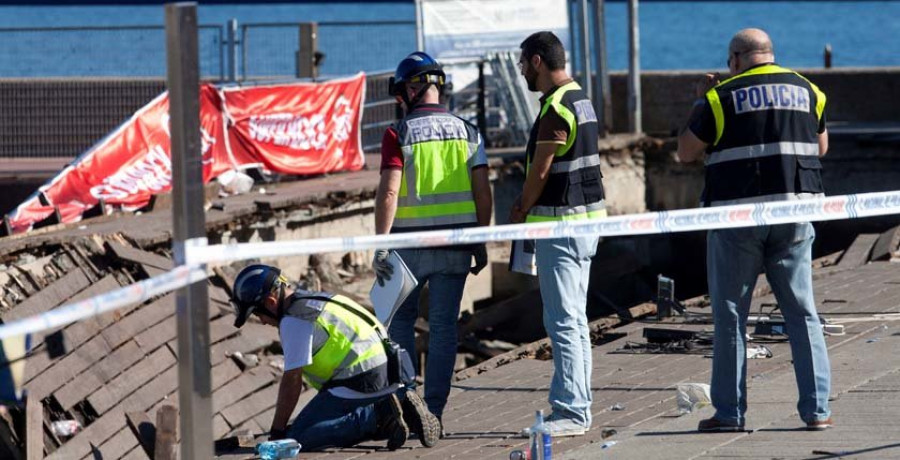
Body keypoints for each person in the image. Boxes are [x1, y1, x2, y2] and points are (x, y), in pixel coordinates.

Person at [676, 28, 833, 432]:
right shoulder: (809, 91)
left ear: (735, 59)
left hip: (737, 218)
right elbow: (820, 148)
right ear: (770, 54)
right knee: (802, 313)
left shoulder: (719, 97)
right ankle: (817, 410)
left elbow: (686, 152)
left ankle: (729, 413)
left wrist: (700, 97)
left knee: (730, 316)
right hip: (795, 214)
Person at [373, 51, 493, 428]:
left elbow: (389, 194)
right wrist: (481, 240)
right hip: (456, 247)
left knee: (400, 325)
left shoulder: (399, 133)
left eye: (400, 94)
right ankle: (435, 413)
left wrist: (380, 244)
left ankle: (409, 405)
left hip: (408, 249)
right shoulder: (469, 132)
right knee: (443, 329)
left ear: (412, 88)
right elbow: (483, 193)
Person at [230, 264, 441, 451]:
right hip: (393, 371)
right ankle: (399, 409)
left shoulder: (294, 321)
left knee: (300, 436)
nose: (263, 322)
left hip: (363, 380)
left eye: (258, 315)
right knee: (311, 424)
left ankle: (381, 415)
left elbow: (291, 382)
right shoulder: (320, 299)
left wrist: (276, 433)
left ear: (270, 301)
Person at [510, 31, 607, 437]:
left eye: (521, 65)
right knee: (576, 321)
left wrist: (520, 209)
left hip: (561, 224)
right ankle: (576, 404)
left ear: (536, 61)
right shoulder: (581, 100)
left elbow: (542, 170)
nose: (520, 73)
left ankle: (571, 412)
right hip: (587, 222)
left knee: (563, 321)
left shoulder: (556, 108)